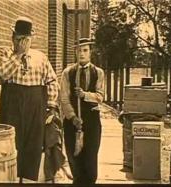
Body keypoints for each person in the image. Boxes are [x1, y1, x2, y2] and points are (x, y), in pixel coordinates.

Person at [0, 16, 59, 182]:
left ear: (31, 39)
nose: (22, 43)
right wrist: (19, 55)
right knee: (12, 143)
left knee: (33, 145)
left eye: (26, 40)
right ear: (12, 38)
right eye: (18, 39)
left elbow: (52, 80)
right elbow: (3, 74)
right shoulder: (4, 53)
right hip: (12, 102)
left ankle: (29, 179)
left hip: (36, 104)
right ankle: (13, 178)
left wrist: (50, 106)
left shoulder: (40, 57)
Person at [60, 38, 105, 184]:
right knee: (75, 160)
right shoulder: (67, 73)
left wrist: (84, 95)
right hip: (73, 121)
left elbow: (100, 96)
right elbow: (64, 99)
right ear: (75, 52)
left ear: (90, 52)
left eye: (85, 50)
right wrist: (73, 118)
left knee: (90, 158)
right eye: (79, 50)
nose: (82, 54)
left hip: (91, 120)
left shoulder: (98, 73)